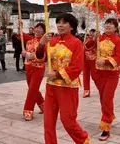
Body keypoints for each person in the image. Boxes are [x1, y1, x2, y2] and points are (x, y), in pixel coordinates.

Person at [36, 13, 89, 144]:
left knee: (68, 121)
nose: (60, 25)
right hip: (51, 86)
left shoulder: (77, 43)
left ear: (72, 27)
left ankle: (83, 140)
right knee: (48, 122)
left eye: (64, 22)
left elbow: (77, 67)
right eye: (58, 22)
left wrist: (58, 74)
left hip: (68, 87)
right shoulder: (52, 41)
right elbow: (40, 58)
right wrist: (42, 44)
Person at [94, 18, 120, 141]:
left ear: (116, 27)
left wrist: (105, 61)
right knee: (102, 98)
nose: (108, 25)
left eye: (111, 24)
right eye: (106, 23)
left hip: (112, 73)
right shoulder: (99, 38)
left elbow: (119, 57)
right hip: (99, 73)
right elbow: (88, 48)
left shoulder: (118, 41)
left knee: (107, 98)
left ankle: (106, 126)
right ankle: (109, 115)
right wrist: (92, 38)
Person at [21, 23, 46, 121]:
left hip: (38, 68)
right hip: (28, 67)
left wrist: (27, 55)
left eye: (41, 28)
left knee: (32, 89)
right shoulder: (30, 41)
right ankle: (44, 106)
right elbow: (21, 35)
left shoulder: (44, 42)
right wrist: (20, 26)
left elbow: (43, 57)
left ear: (43, 31)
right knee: (33, 89)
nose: (38, 29)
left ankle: (28, 110)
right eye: (37, 27)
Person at [83, 29, 97, 98]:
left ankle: (100, 87)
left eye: (93, 32)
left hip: (93, 60)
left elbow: (91, 44)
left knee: (94, 76)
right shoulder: (86, 39)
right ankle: (86, 90)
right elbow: (87, 45)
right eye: (90, 32)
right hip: (85, 60)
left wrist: (95, 39)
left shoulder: (98, 40)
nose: (91, 33)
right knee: (85, 76)